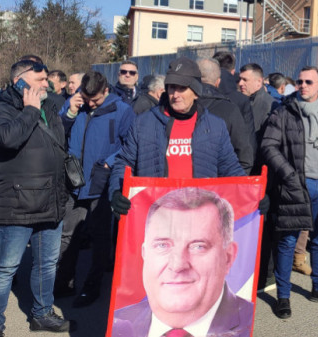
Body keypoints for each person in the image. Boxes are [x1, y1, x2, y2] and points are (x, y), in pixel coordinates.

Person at [261, 66, 318, 319]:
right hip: (294, 186)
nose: (302, 85)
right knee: (288, 241)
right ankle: (283, 297)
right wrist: (288, 174)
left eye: (308, 81)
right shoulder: (284, 112)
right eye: (299, 81)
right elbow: (268, 146)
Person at [0, 59, 72, 335]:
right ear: (20, 81)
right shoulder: (2, 106)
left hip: (52, 200)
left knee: (47, 263)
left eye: (47, 79)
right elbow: (5, 138)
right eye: (40, 80)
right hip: (17, 203)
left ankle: (42, 314)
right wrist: (29, 111)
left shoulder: (49, 105)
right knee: (5, 268)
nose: (47, 84)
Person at [112, 187, 253, 337]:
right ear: (145, 253)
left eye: (198, 246)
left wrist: (253, 197)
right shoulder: (119, 323)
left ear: (228, 257)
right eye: (162, 245)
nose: (177, 265)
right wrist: (115, 190)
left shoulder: (246, 321)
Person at [108, 57, 246, 209]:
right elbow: (124, 162)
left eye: (182, 88)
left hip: (198, 214)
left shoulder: (215, 126)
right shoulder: (143, 123)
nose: (176, 94)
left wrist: (252, 195)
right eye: (172, 87)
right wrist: (117, 191)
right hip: (156, 213)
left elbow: (231, 168)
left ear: (196, 92)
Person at [56, 70, 136, 307]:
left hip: (100, 181)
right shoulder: (75, 106)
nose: (90, 103)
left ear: (107, 91)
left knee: (101, 237)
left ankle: (93, 285)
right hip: (74, 181)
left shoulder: (122, 111)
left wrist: (109, 162)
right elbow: (59, 132)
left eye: (96, 99)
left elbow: (129, 145)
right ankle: (64, 282)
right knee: (68, 234)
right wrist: (69, 110)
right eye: (86, 97)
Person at [197, 58, 254, 175]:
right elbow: (244, 154)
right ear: (218, 82)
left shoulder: (177, 106)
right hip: (221, 185)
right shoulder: (230, 109)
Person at [238, 63, 277, 142]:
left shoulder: (268, 106)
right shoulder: (241, 101)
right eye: (240, 79)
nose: (240, 83)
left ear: (259, 82)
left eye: (245, 80)